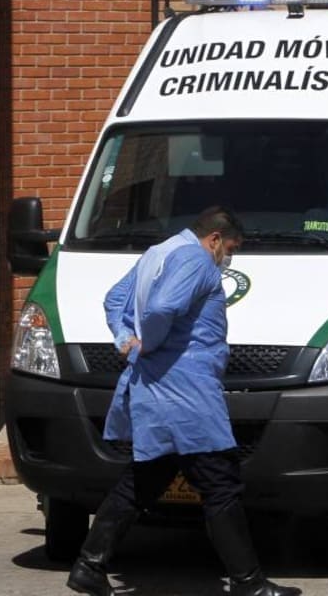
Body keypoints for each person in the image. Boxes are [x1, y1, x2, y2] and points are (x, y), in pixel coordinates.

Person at [67, 206, 301, 596]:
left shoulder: (156, 254)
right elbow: (162, 309)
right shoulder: (197, 260)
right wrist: (149, 344)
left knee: (145, 479)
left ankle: (89, 566)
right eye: (231, 248)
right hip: (186, 391)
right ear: (214, 240)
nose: (231, 257)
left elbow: (114, 299)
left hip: (155, 389)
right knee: (220, 483)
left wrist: (127, 340)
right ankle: (249, 582)